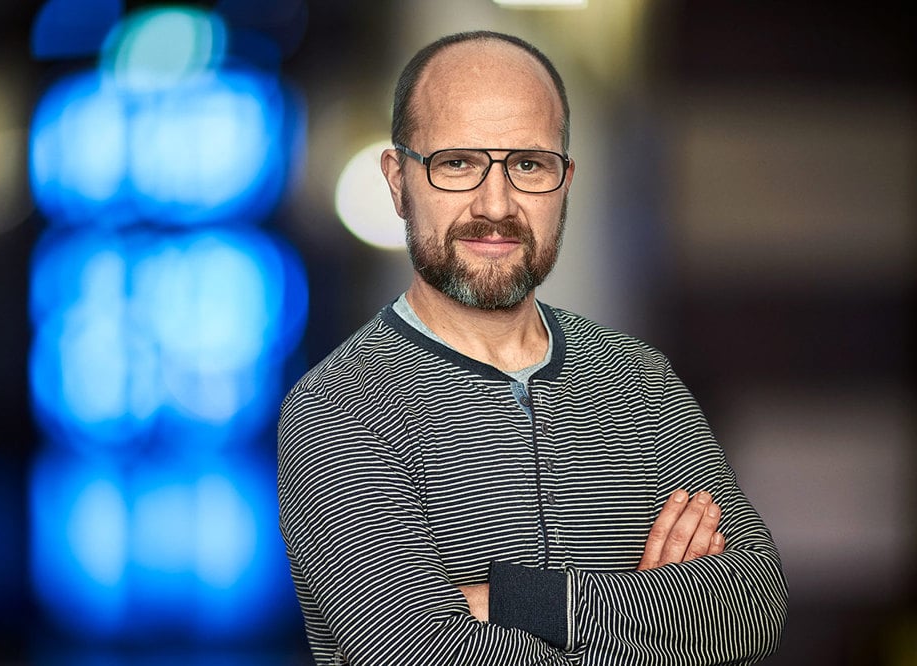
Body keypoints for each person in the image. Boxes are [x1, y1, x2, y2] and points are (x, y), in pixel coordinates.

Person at [277, 30, 787, 666]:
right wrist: (659, 616)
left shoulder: (639, 378)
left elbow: (757, 602)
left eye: (528, 164)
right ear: (397, 179)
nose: (496, 204)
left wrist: (511, 600)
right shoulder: (337, 410)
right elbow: (417, 648)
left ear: (565, 181)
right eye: (457, 162)